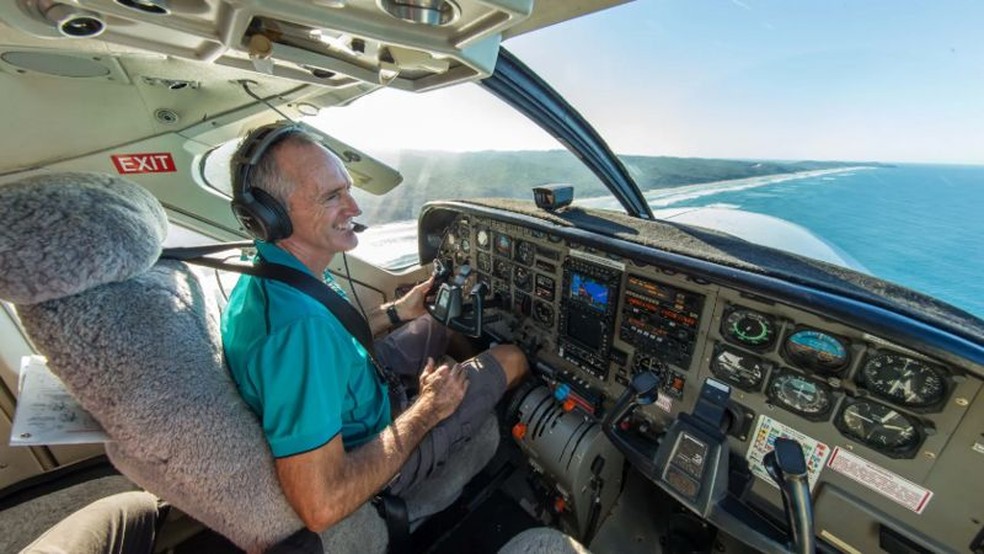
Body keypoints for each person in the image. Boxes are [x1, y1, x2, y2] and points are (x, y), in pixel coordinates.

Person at [220, 123, 529, 533]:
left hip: (361, 386)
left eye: (347, 189)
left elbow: (334, 335)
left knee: (435, 319)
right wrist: (428, 409)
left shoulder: (276, 274)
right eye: (332, 196)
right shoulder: (298, 333)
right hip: (374, 448)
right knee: (512, 357)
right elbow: (322, 505)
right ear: (270, 216)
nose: (355, 208)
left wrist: (398, 312)